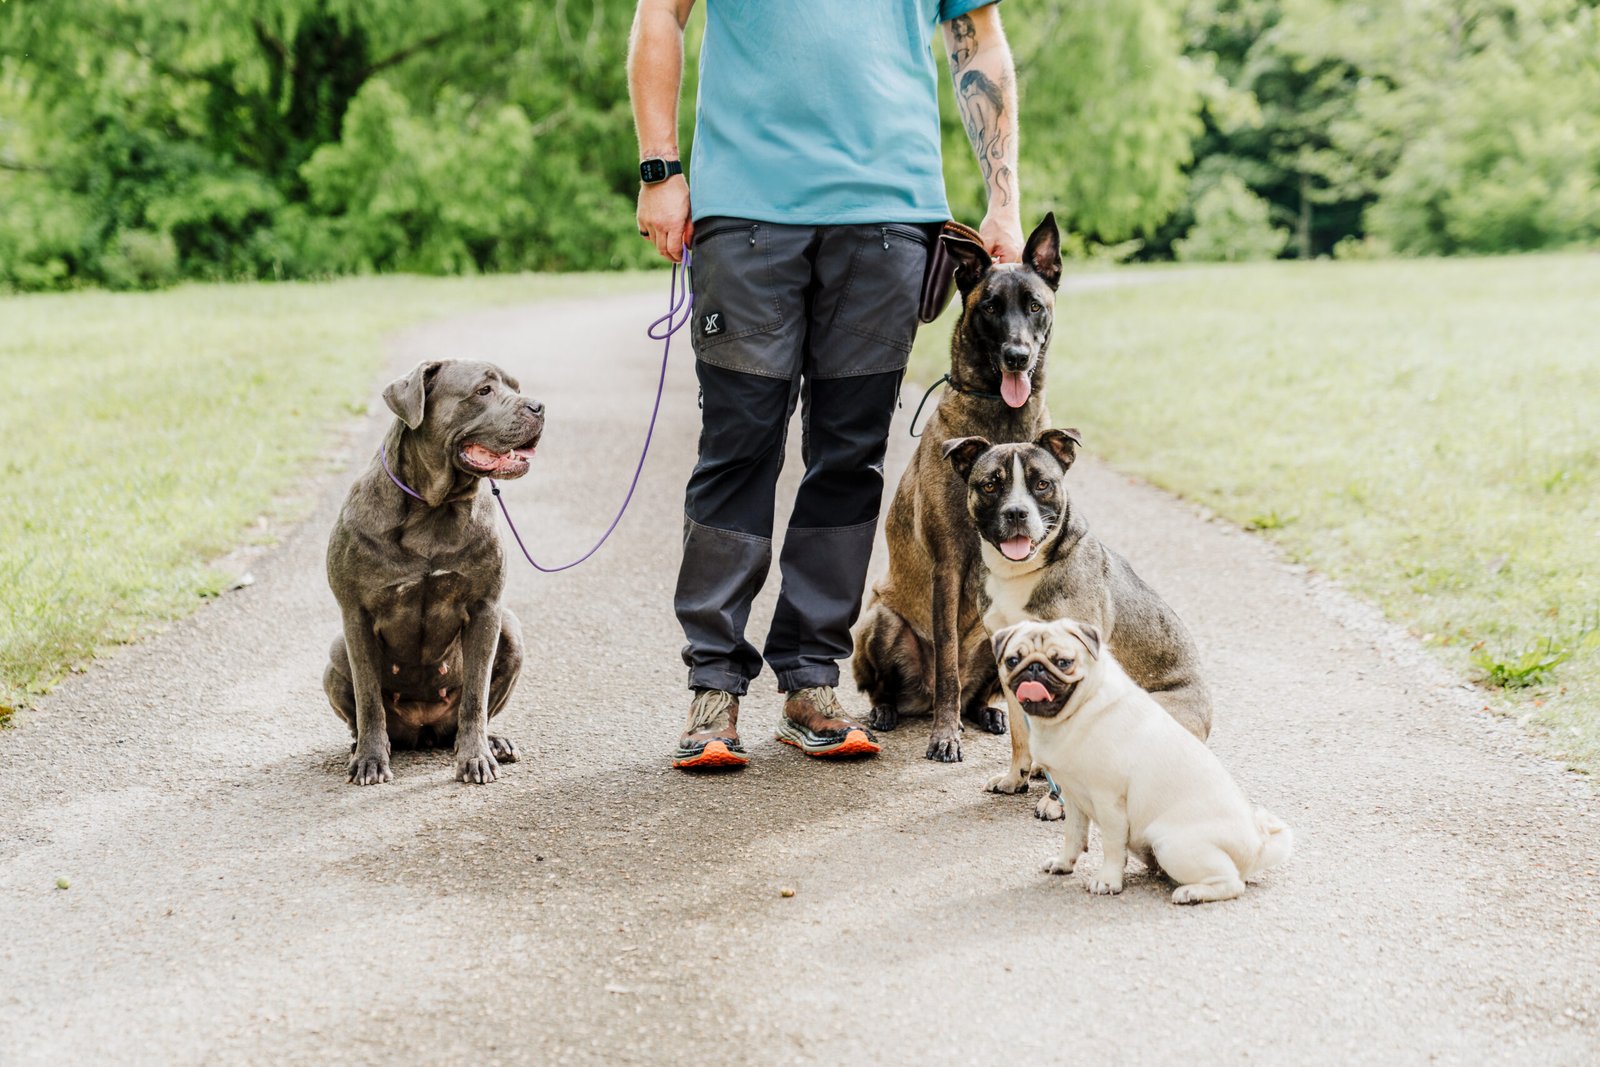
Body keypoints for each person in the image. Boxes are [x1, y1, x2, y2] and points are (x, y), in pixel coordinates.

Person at [629, 0, 1022, 770]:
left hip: (890, 217)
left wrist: (1002, 195)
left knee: (850, 455)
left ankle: (811, 681)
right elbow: (658, 17)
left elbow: (979, 46)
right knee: (739, 447)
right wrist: (659, 167)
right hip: (744, 213)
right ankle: (714, 685)